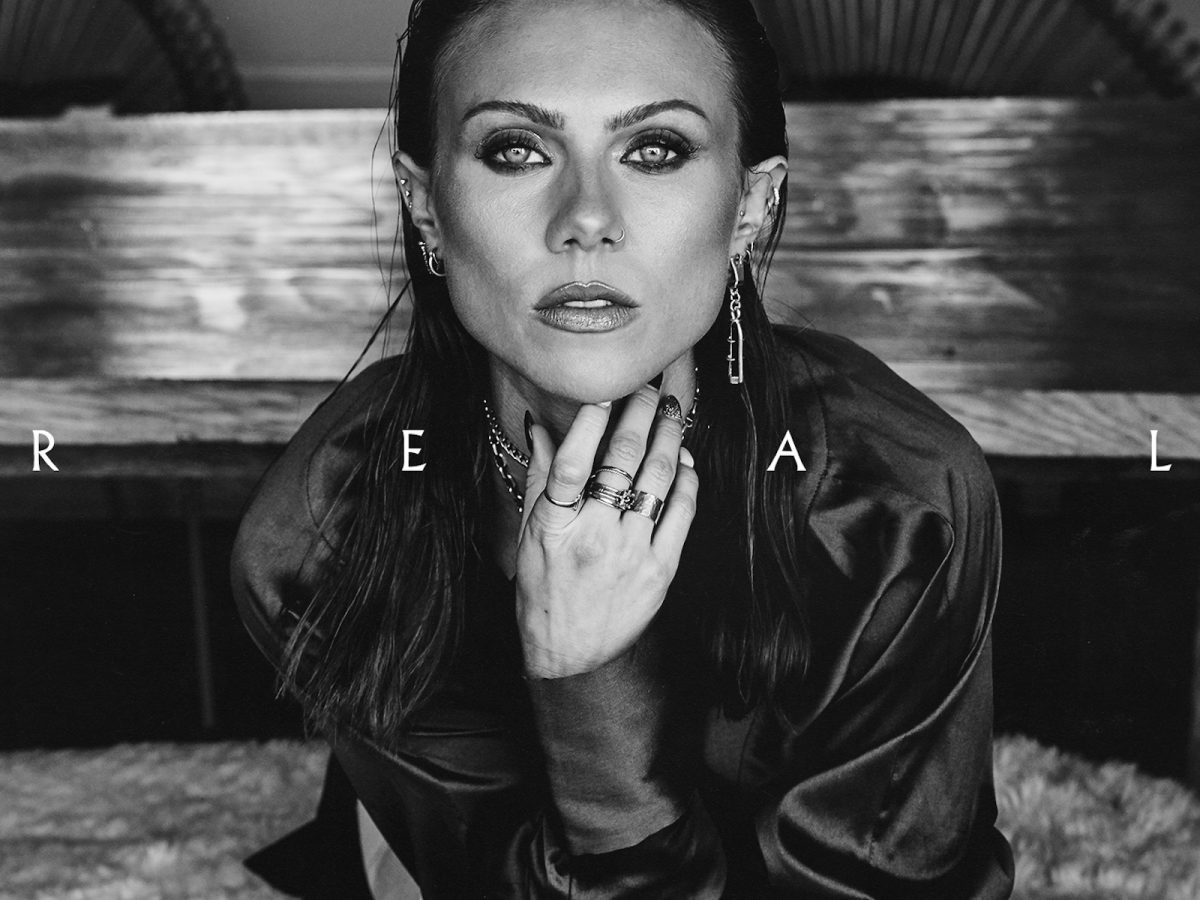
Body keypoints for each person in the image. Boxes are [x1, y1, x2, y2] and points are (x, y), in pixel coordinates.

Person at [230, 0, 1016, 896]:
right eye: (516, 150)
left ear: (751, 205)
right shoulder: (326, 521)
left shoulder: (896, 507)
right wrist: (585, 680)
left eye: (655, 150)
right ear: (425, 205)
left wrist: (592, 681)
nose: (587, 219)